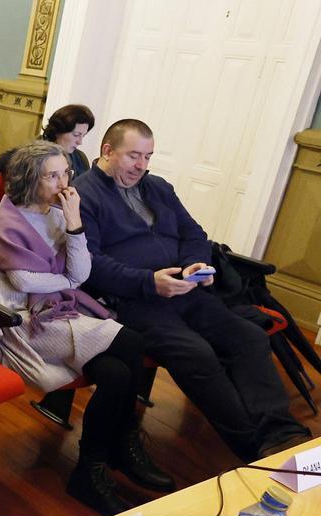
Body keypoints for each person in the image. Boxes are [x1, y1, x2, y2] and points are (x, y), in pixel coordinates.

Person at [74, 119, 310, 461]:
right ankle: (256, 448)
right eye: (133, 156)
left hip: (186, 290)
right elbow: (89, 263)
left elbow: (194, 234)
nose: (141, 165)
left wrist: (195, 263)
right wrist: (149, 282)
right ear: (107, 151)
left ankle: (282, 434)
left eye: (148, 157)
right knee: (196, 353)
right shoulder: (84, 195)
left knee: (249, 337)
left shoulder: (159, 187)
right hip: (135, 301)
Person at [0, 141, 174, 515]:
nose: (64, 183)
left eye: (66, 173)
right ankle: (122, 446)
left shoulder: (60, 214)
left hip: (54, 310)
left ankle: (90, 469)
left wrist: (75, 225)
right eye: (53, 175)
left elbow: (81, 272)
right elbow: (27, 281)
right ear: (30, 179)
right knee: (130, 342)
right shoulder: (9, 218)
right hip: (20, 323)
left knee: (115, 374)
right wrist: (67, 280)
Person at [42, 104, 95, 177]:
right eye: (76, 135)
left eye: (83, 136)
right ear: (58, 130)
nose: (80, 142)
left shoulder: (81, 159)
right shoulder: (34, 157)